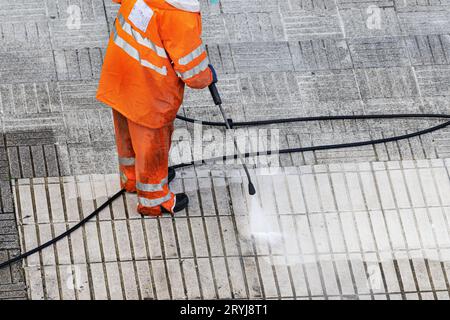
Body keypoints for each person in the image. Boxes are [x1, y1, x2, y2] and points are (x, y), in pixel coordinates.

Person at [96, 0, 217, 216]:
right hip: (150, 93)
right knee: (152, 147)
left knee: (126, 133)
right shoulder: (180, 16)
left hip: (120, 74)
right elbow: (194, 75)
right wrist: (207, 74)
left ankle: (131, 178)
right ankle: (154, 200)